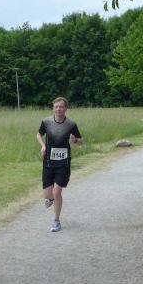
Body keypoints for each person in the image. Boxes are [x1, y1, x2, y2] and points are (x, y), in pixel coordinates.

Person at [37, 97, 82, 232]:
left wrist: (75, 140)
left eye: (61, 107)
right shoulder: (46, 122)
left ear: (66, 108)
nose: (58, 109)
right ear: (53, 108)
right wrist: (43, 145)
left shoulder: (71, 124)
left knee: (57, 192)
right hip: (48, 162)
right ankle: (50, 199)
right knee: (47, 195)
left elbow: (81, 141)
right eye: (56, 106)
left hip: (63, 162)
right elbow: (38, 134)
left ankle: (56, 221)